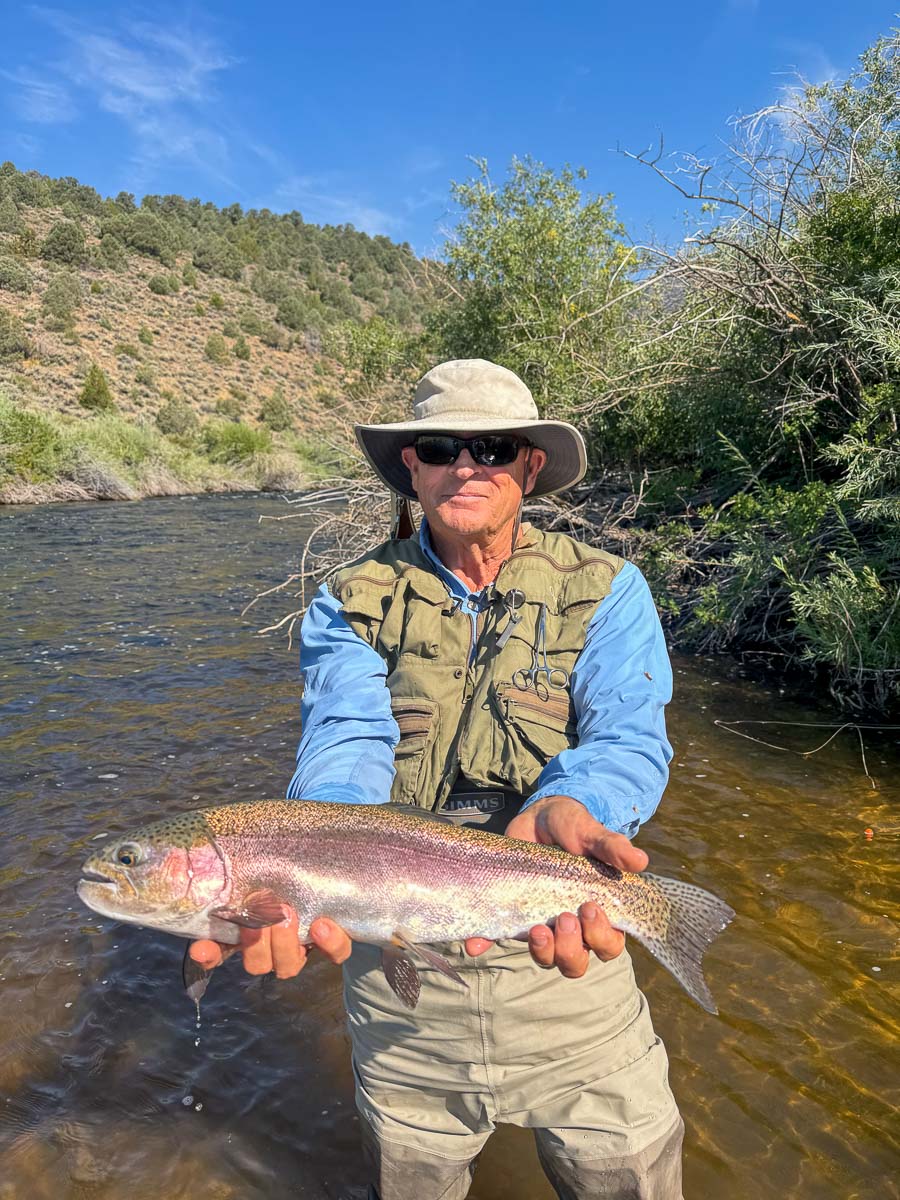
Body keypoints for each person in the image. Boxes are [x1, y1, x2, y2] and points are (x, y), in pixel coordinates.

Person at [191, 359, 683, 1199]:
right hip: (396, 983)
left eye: (492, 447)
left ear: (530, 466)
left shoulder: (609, 589)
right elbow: (345, 736)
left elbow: (629, 737)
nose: (467, 464)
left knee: (625, 1176)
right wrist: (317, 858)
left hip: (566, 946)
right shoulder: (350, 600)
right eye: (441, 445)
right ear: (411, 465)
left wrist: (576, 803)